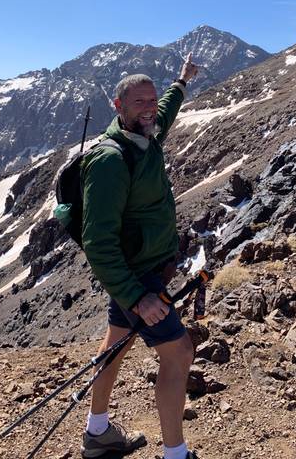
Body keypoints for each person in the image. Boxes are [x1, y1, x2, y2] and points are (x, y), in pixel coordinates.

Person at [80, 53, 200, 459]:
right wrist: (136, 296)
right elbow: (98, 242)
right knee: (179, 351)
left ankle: (98, 434)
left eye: (151, 101)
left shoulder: (146, 134)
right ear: (118, 107)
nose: (150, 109)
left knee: (115, 342)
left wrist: (181, 82)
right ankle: (175, 454)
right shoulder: (111, 161)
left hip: (145, 271)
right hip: (138, 278)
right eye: (139, 102)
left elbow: (163, 111)